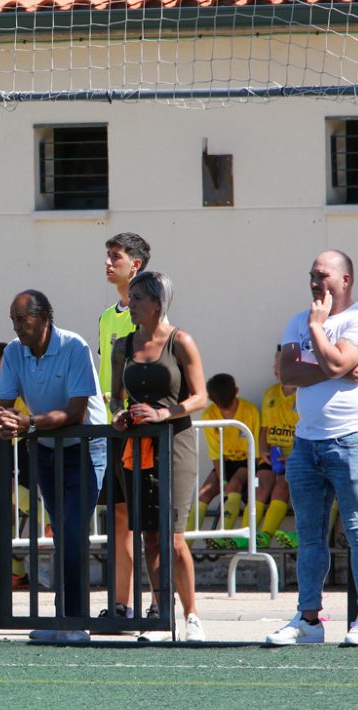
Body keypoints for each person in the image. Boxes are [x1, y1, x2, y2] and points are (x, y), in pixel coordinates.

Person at [265, 249, 358, 646]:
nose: (316, 282)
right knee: (310, 536)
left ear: (345, 279)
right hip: (306, 444)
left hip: (351, 440)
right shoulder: (296, 320)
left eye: (323, 275)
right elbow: (287, 372)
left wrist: (319, 333)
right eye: (312, 275)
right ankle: (309, 619)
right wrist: (335, 365)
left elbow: (327, 365)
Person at [0, 291, 108, 643]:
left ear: (44, 317)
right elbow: (3, 406)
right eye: (13, 319)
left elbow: (75, 413)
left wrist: (26, 423)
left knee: (74, 532)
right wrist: (3, 421)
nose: (17, 327)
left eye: (22, 319)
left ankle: (75, 620)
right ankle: (63, 618)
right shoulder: (14, 351)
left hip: (86, 447)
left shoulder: (74, 347)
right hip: (45, 447)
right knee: (62, 533)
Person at [110, 272, 208, 641]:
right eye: (130, 298)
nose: (130, 305)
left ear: (157, 302)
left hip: (175, 445)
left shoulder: (180, 340)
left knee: (174, 536)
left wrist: (165, 414)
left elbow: (200, 396)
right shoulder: (123, 345)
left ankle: (192, 614)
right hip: (137, 448)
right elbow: (117, 395)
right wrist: (119, 414)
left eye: (136, 298)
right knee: (149, 535)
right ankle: (160, 614)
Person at [97, 232, 150, 619]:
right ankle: (121, 604)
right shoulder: (105, 318)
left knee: (149, 521)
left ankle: (160, 604)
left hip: (141, 430)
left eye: (114, 257)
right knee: (117, 518)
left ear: (136, 265)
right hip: (109, 429)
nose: (107, 263)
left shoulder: (152, 314)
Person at [0, 341, 33, 590]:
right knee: (1, 512)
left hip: (21, 461)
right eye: (4, 365)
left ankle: (49, 521)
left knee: (12, 497)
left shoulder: (21, 395)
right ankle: (16, 572)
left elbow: (23, 428)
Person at [189, 373, 261, 547]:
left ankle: (224, 537)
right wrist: (222, 478)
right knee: (203, 493)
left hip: (247, 461)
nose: (226, 412)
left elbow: (255, 451)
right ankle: (185, 543)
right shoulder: (209, 415)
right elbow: (216, 453)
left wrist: (228, 484)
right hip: (224, 462)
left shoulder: (250, 411)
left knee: (233, 485)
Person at [256, 346, 299, 548]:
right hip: (273, 454)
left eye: (279, 364)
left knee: (282, 485)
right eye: (274, 364)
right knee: (261, 485)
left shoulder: (305, 397)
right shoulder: (270, 394)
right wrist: (263, 449)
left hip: (295, 456)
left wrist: (294, 456)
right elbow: (264, 429)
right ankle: (248, 534)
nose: (275, 369)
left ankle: (265, 535)